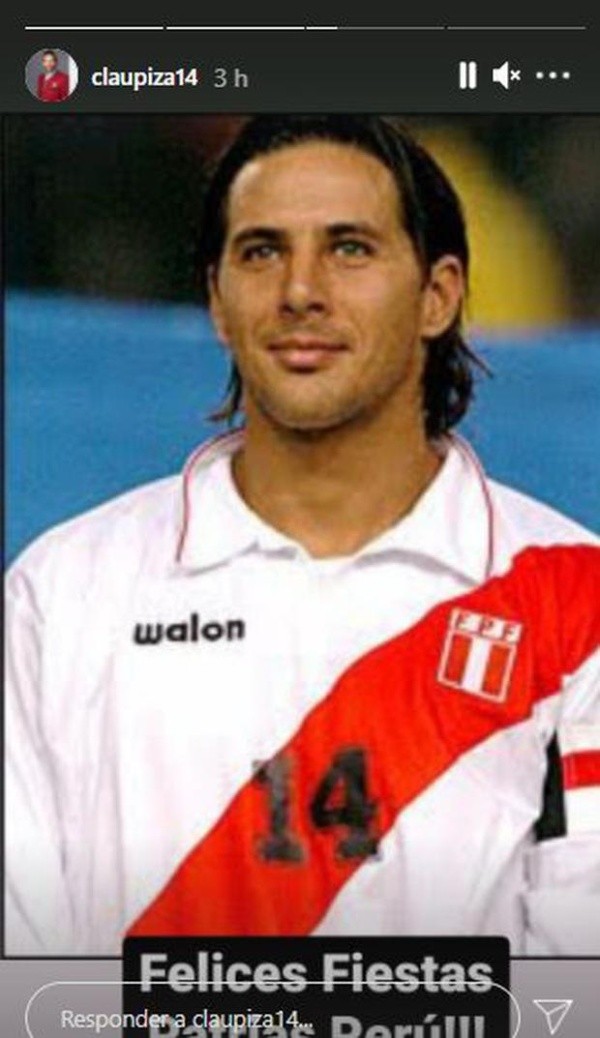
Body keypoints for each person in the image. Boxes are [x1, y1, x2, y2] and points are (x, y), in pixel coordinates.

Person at [6, 115, 599, 956]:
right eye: (262, 252)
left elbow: (580, 979)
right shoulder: (61, 591)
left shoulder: (579, 603)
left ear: (439, 295)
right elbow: (28, 977)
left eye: (349, 248)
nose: (300, 291)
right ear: (217, 301)